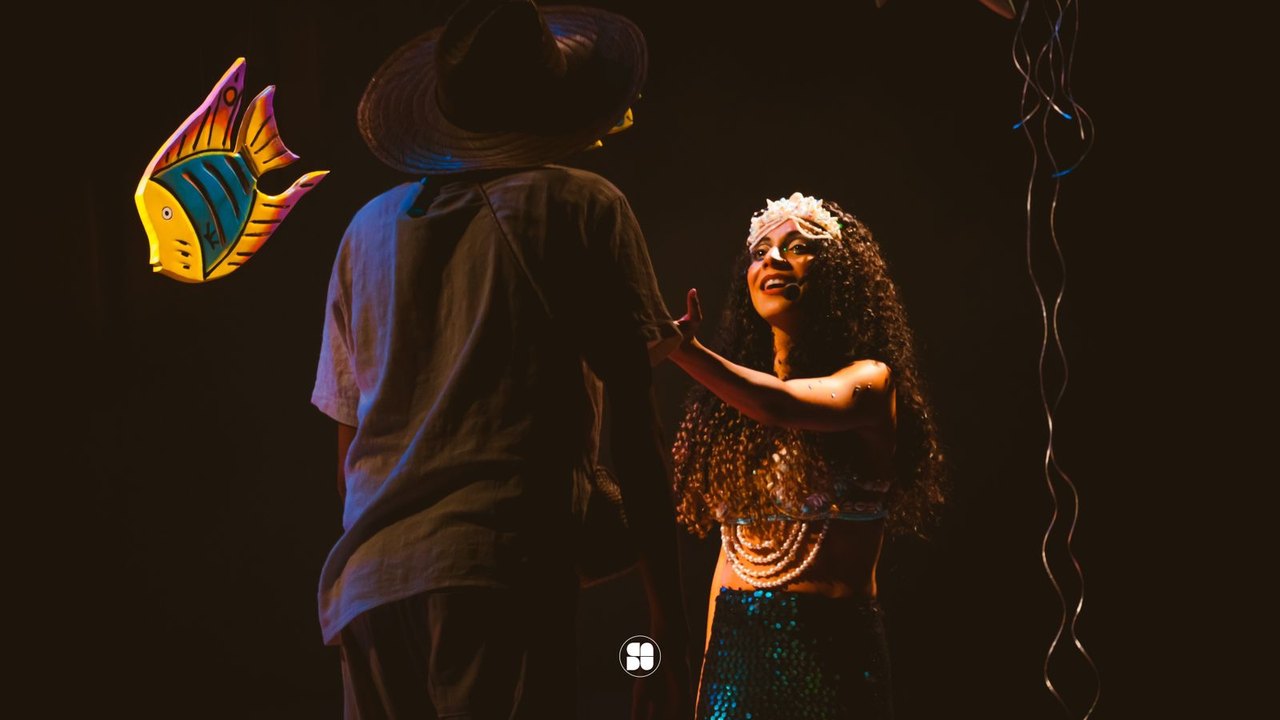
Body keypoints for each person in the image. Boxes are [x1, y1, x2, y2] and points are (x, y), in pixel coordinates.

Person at [309, 1, 692, 717]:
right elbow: (637, 438)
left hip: (367, 587)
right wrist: (667, 620)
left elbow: (348, 456)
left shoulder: (366, 229)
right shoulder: (580, 204)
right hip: (497, 567)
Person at [666, 192, 946, 719]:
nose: (772, 259)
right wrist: (705, 682)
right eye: (760, 251)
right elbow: (729, 559)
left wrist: (683, 350)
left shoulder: (871, 381)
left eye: (797, 247)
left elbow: (779, 405)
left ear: (839, 276)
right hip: (734, 663)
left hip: (831, 659)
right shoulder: (733, 412)